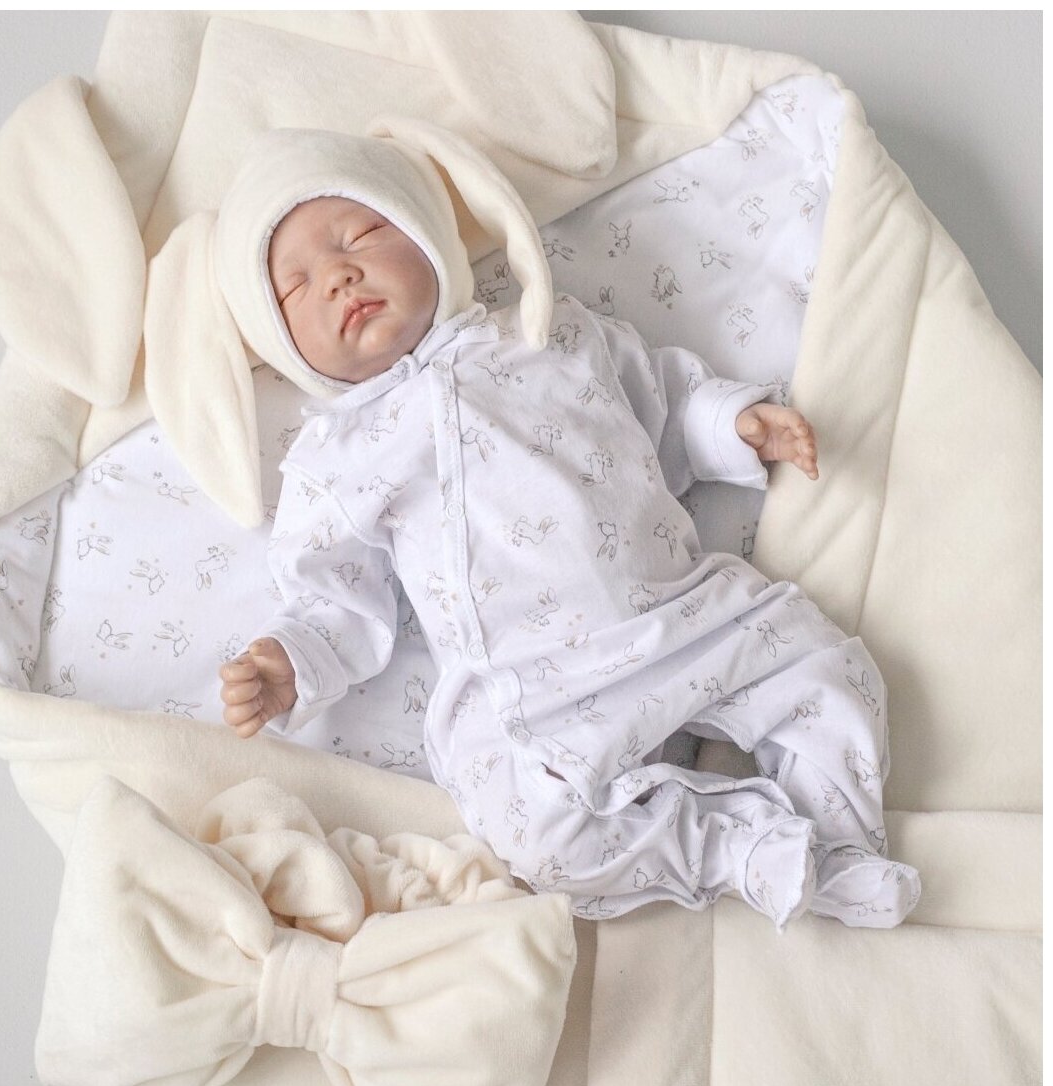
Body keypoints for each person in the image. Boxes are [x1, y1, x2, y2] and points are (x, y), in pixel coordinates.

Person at [214, 126, 920, 929]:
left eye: (362, 234)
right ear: (281, 343)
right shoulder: (338, 456)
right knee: (537, 840)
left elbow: (660, 406)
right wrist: (291, 662)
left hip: (681, 615)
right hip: (532, 694)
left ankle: (840, 844)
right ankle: (740, 849)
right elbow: (334, 597)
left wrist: (733, 426)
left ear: (428, 233)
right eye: (297, 286)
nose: (339, 276)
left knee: (825, 668)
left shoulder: (550, 332)